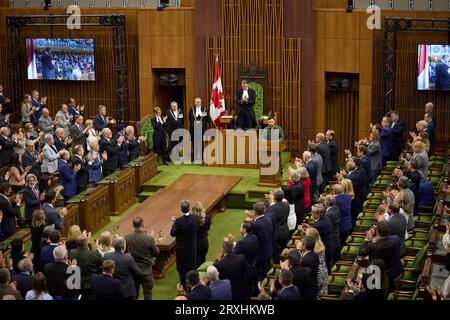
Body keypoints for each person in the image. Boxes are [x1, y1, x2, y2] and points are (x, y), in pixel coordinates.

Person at [124, 217, 160, 300]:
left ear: (133, 225)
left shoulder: (127, 237)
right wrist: (152, 241)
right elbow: (156, 252)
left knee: (134, 295)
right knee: (148, 295)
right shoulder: (149, 238)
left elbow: (125, 252)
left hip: (133, 270)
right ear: (143, 225)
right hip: (146, 271)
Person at [170, 200, 200, 287]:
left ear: (181, 210)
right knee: (192, 267)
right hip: (192, 248)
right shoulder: (195, 218)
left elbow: (172, 233)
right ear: (189, 208)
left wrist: (173, 223)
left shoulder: (178, 221)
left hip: (182, 250)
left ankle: (184, 287)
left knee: (182, 270)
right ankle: (193, 285)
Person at [302, 204, 335, 271]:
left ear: (318, 215)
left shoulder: (318, 225)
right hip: (330, 244)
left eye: (312, 212)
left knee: (324, 267)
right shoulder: (326, 218)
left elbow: (311, 237)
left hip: (324, 248)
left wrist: (304, 231)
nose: (311, 213)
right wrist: (309, 227)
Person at [233, 220, 258, 297]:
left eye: (241, 227)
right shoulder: (254, 237)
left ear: (244, 229)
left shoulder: (242, 242)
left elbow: (234, 252)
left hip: (245, 269)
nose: (240, 228)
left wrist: (230, 243)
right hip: (253, 265)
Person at [252, 202, 273, 282]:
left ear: (255, 212)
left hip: (260, 253)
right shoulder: (268, 219)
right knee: (266, 269)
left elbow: (253, 238)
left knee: (260, 274)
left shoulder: (256, 224)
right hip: (268, 249)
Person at [304, 228, 328, 297]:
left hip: (317, 274)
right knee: (323, 292)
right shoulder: (320, 244)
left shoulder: (312, 252)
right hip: (324, 271)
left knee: (316, 294)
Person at [270, 189, 290, 264]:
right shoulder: (286, 204)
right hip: (285, 230)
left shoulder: (272, 208)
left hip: (276, 233)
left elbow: (271, 220)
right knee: (284, 250)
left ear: (274, 197)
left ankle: (277, 266)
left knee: (276, 253)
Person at [192, 202, 211, 268]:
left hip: (195, 245)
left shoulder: (192, 220)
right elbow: (208, 228)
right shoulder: (208, 217)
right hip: (205, 243)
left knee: (196, 264)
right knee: (203, 261)